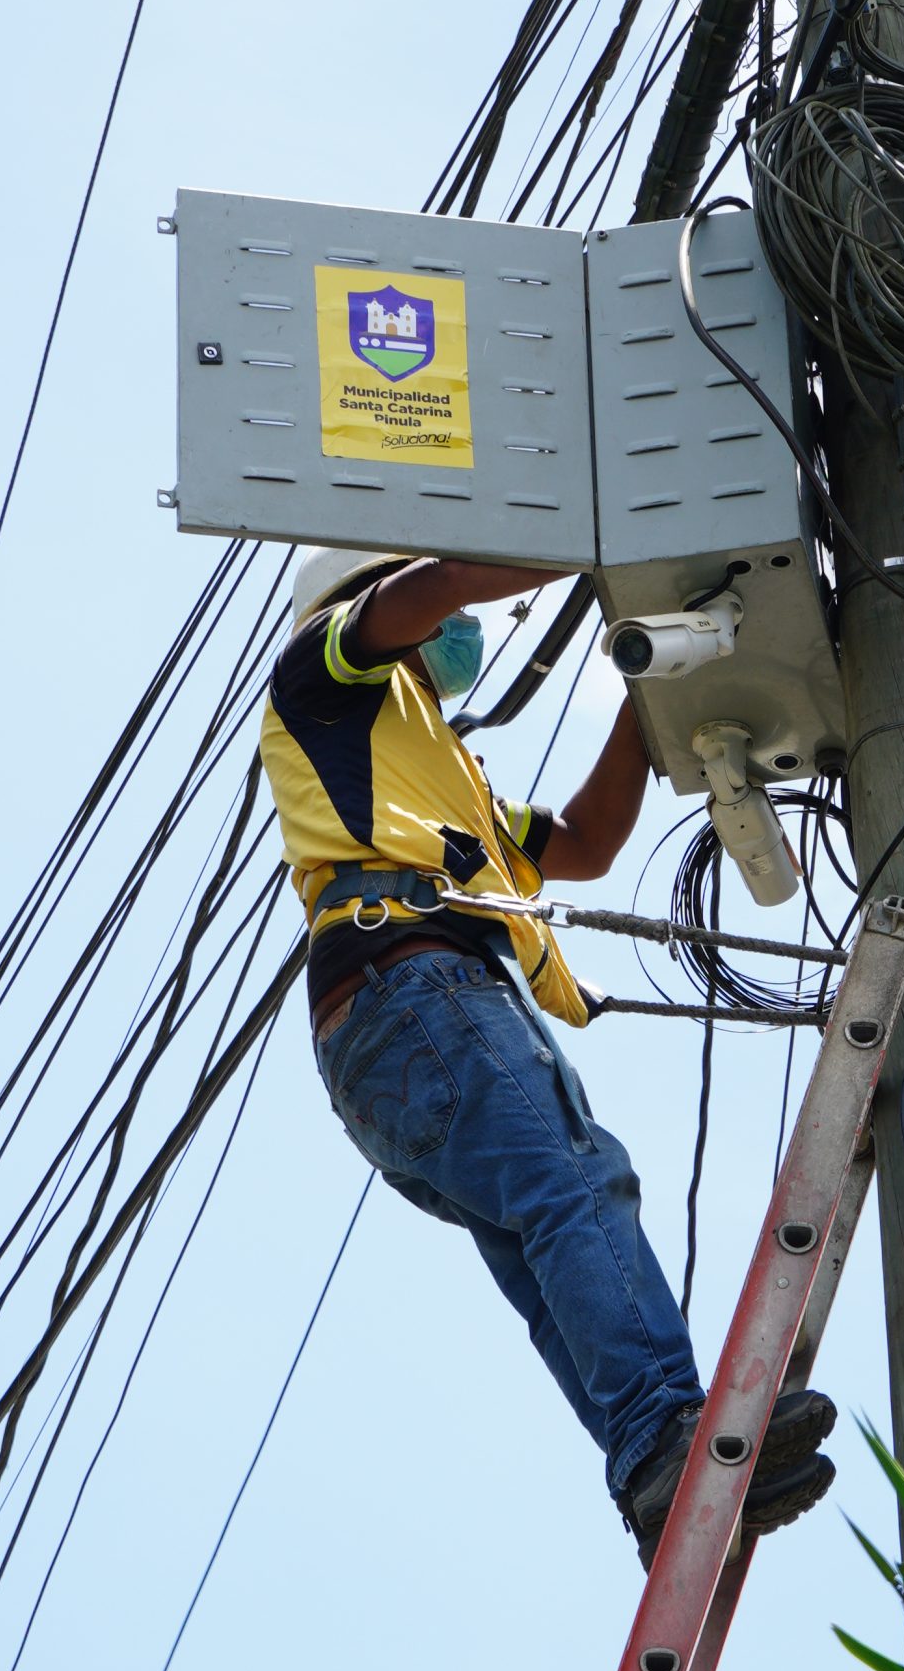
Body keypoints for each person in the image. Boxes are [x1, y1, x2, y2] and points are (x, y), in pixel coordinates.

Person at [258, 546, 837, 1562]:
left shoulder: (437, 774)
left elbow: (581, 843)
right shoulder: (326, 670)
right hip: (417, 989)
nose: (466, 639)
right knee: (576, 1188)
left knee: (541, 1244)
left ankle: (651, 1463)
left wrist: (653, 693)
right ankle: (668, 1431)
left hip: (394, 1033)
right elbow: (429, 592)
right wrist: (562, 541)